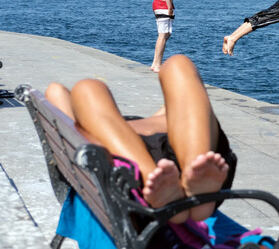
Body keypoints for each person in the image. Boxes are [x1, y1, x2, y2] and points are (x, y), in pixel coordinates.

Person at [44, 55, 236, 224]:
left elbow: (55, 92)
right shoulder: (164, 118)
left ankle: (166, 185)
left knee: (86, 88)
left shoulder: (100, 124)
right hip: (174, 154)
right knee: (177, 64)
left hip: (132, 164)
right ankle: (193, 180)